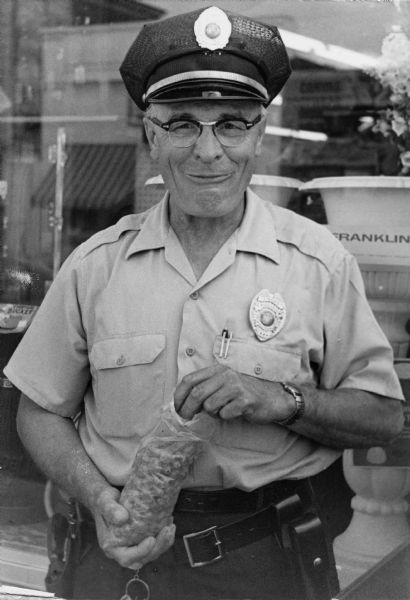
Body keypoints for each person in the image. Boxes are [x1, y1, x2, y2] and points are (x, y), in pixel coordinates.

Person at [4, 6, 404, 600]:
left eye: (232, 124)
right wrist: (100, 498)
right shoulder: (95, 266)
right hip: (115, 564)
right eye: (184, 123)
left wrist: (280, 399)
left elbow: (383, 415)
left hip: (267, 562)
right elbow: (37, 411)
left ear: (260, 134)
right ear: (151, 133)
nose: (209, 151)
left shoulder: (318, 263)